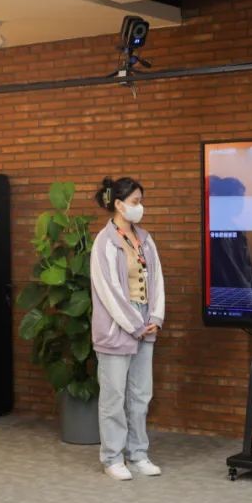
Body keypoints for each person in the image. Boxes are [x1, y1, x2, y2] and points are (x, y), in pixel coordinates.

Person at [89, 177, 165, 481]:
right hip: (117, 327)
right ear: (119, 205)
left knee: (141, 395)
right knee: (114, 397)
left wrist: (155, 317)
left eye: (140, 201)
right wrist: (135, 325)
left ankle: (138, 454)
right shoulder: (104, 242)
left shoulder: (145, 239)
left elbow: (157, 280)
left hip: (145, 323)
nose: (140, 207)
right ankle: (112, 457)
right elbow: (108, 291)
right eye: (135, 202)